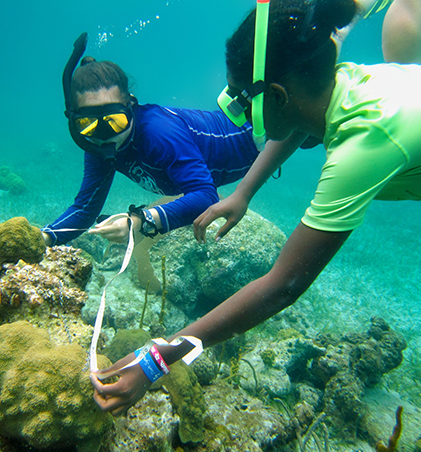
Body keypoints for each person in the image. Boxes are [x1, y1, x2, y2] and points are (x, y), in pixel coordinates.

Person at [89, 0, 421, 416]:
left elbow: (282, 285)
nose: (235, 115)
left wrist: (157, 359)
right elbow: (299, 121)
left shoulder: (364, 145)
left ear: (277, 96)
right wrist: (244, 192)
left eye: (240, 104)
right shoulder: (337, 88)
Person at [41, 34, 259, 247]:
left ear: (131, 105)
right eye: (89, 124)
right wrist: (42, 239)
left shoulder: (157, 132)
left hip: (258, 133)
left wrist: (140, 221)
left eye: (114, 121)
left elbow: (205, 195)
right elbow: (85, 209)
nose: (105, 135)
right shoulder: (96, 148)